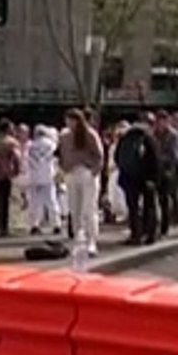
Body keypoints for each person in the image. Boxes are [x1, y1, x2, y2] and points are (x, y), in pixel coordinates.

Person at [59, 108, 105, 256]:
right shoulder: (64, 135)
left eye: (72, 120)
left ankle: (91, 241)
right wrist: (63, 169)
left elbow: (99, 155)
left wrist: (94, 172)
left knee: (89, 208)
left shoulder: (90, 134)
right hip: (71, 173)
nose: (69, 123)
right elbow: (61, 154)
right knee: (75, 209)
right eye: (67, 120)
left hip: (86, 172)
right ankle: (78, 241)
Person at [114, 114, 161, 245]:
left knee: (133, 207)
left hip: (129, 177)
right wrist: (153, 178)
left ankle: (136, 234)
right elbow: (155, 159)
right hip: (146, 178)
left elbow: (117, 157)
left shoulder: (126, 137)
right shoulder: (149, 138)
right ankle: (150, 233)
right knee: (149, 206)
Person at [24, 124, 61, 235]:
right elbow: (56, 159)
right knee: (51, 200)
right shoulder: (51, 145)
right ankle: (56, 224)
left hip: (35, 177)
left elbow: (28, 161)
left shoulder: (31, 146)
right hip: (48, 175)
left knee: (35, 202)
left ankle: (34, 225)